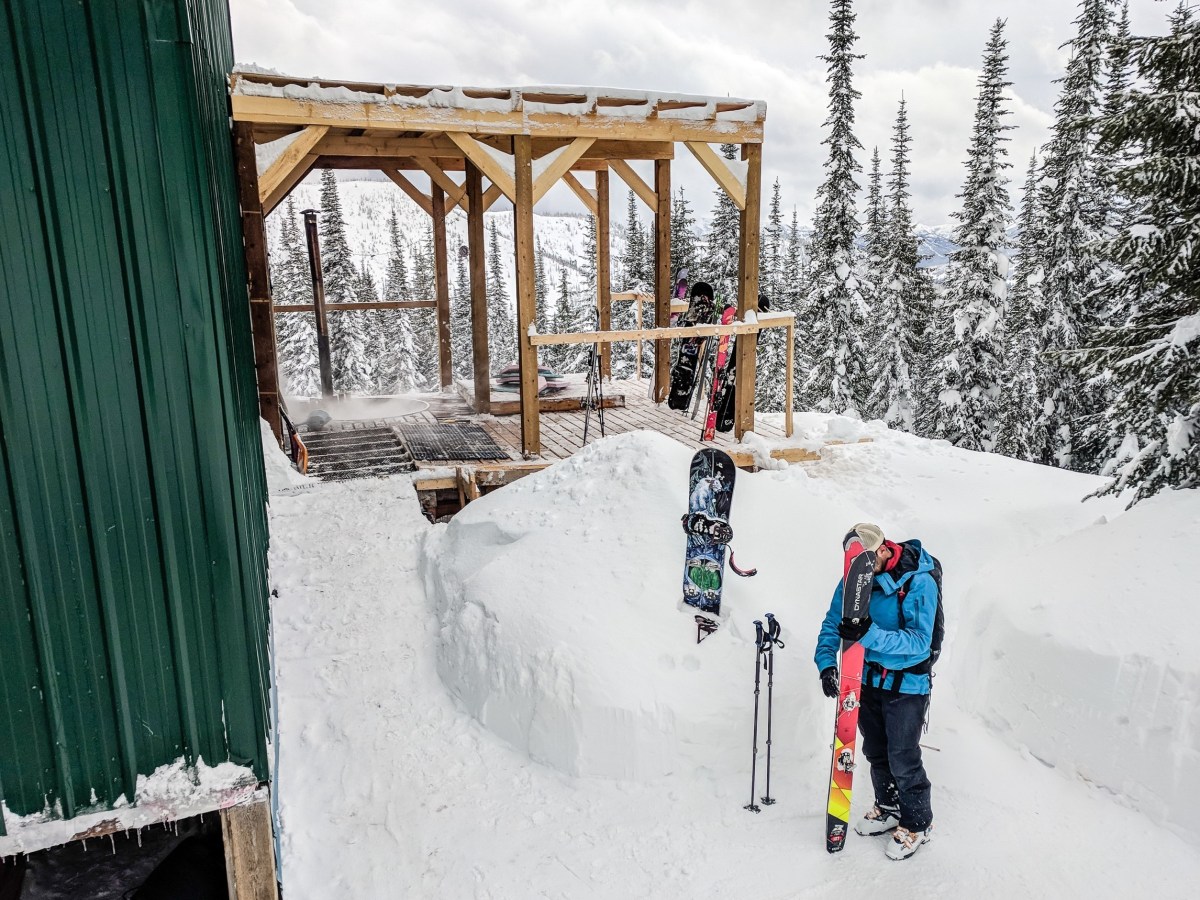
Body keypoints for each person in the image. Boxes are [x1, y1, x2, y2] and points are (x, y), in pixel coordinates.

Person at [813, 522, 938, 860]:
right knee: (877, 751)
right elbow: (832, 623)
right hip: (866, 681)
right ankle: (888, 806)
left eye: (866, 564)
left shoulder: (918, 582)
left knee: (903, 756)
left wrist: (868, 635)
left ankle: (918, 823)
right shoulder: (854, 577)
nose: (860, 573)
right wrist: (826, 662)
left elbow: (919, 643)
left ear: (883, 549)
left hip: (907, 685)